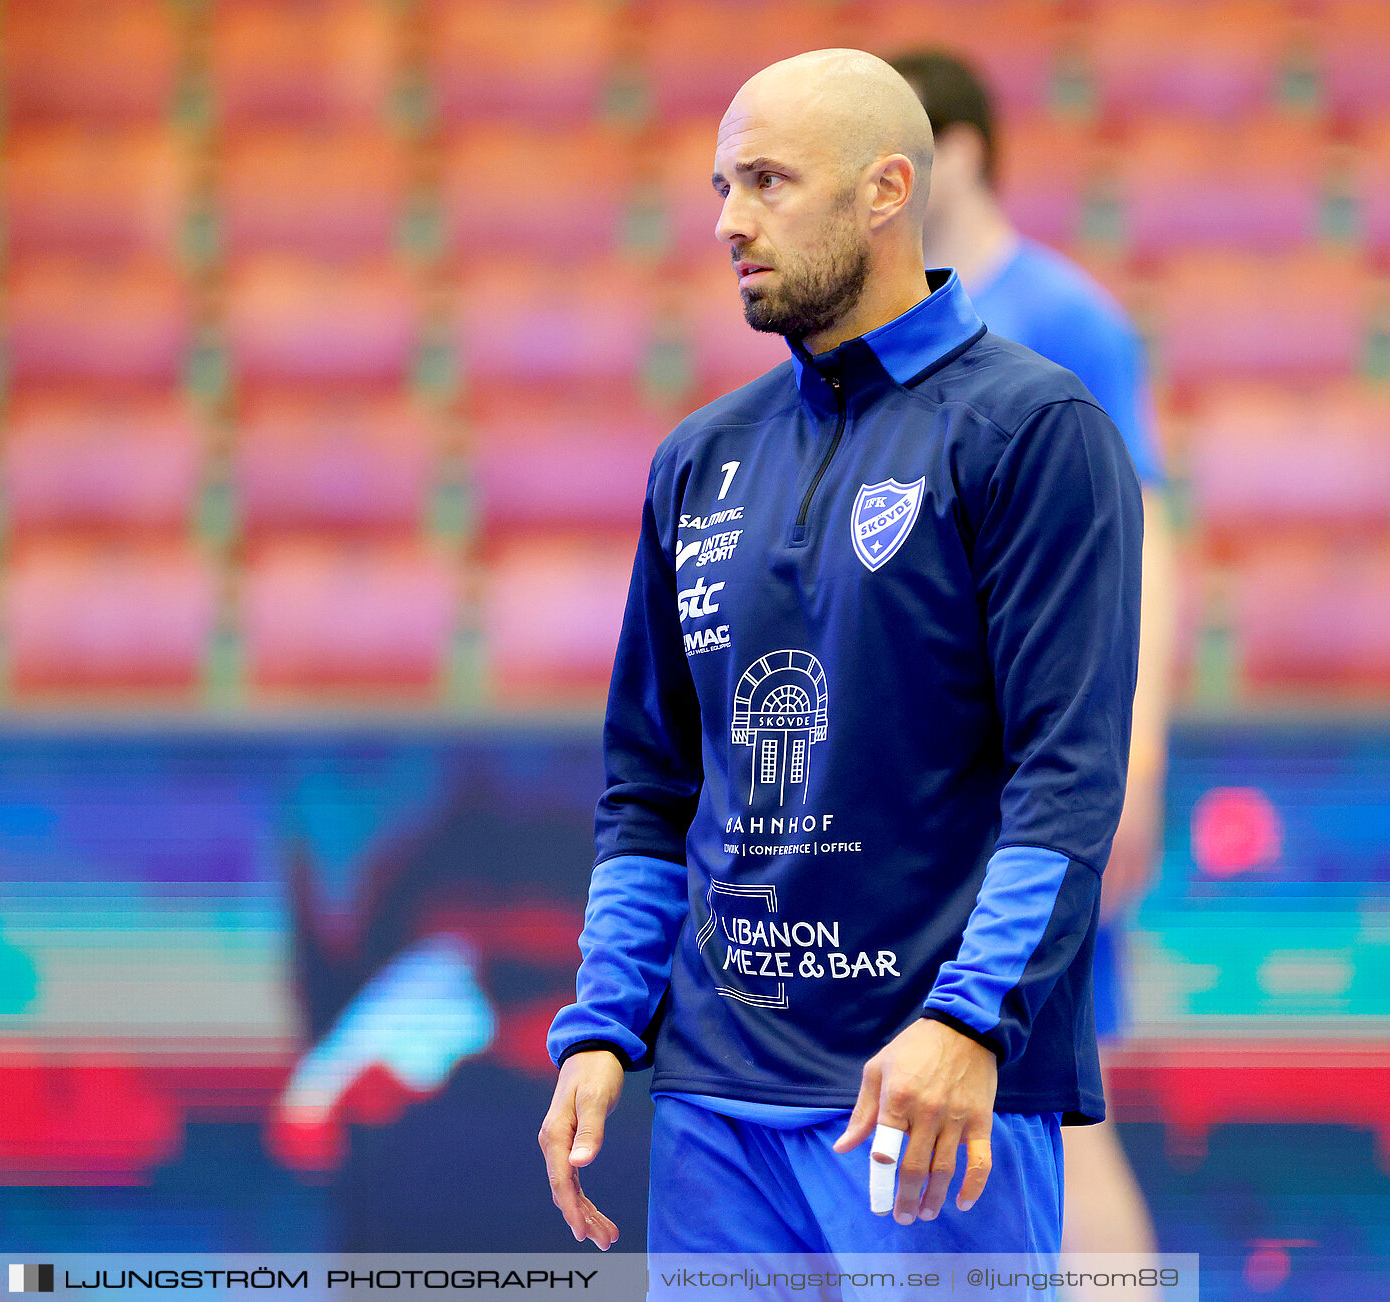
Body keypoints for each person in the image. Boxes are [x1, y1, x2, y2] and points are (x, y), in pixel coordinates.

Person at [538, 49, 1143, 1262]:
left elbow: (1064, 781)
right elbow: (649, 793)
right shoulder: (696, 462)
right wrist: (602, 1029)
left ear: (884, 192)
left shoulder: (1035, 430)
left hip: (920, 1097)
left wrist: (970, 1025)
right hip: (716, 1102)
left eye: (766, 181)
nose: (727, 221)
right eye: (721, 186)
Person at [887, 50, 1173, 1281]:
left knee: (1050, 1087)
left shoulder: (1065, 319)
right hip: (942, 780)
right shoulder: (901, 331)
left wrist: (1137, 753)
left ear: (955, 154)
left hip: (1040, 773)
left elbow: (1148, 542)